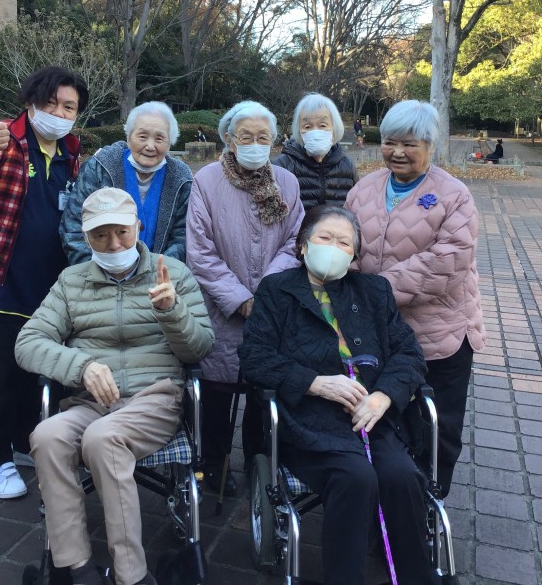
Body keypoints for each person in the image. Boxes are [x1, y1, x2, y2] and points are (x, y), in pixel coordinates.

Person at [15, 188, 213, 585]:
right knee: (47, 436)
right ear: (86, 237)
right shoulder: (72, 281)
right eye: (100, 235)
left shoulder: (172, 272)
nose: (114, 244)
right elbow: (28, 342)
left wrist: (171, 311)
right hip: (91, 403)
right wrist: (82, 367)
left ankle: (131, 575)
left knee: (103, 439)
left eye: (122, 232)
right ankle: (78, 568)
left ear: (138, 227)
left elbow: (201, 348)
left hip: (154, 398)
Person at [239, 205, 435, 585]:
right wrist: (314, 382)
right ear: (303, 245)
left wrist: (383, 397)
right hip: (308, 421)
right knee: (356, 477)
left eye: (344, 243)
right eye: (324, 238)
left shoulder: (374, 290)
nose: (333, 247)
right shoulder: (276, 291)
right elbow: (254, 357)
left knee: (402, 476)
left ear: (354, 254)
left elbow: (409, 354)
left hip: (370, 417)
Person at [0, 67, 89, 499]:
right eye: (51, 103)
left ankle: (25, 442)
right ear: (31, 101)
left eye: (69, 107)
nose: (58, 113)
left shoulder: (71, 152)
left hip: (49, 289)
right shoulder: (2, 140)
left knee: (38, 370)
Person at [345, 100, 486, 497]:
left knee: (436, 425)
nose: (398, 152)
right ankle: (387, 499)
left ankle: (427, 503)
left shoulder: (454, 196)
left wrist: (375, 290)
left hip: (439, 333)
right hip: (379, 333)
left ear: (430, 145)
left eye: (410, 144)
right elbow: (347, 242)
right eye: (390, 142)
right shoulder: (364, 188)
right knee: (384, 419)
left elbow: (448, 261)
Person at [186, 100, 304, 495]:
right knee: (216, 391)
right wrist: (239, 298)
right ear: (229, 138)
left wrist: (265, 294)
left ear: (274, 141)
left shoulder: (286, 182)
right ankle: (214, 465)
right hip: (220, 307)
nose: (255, 144)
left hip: (271, 308)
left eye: (263, 137)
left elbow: (295, 241)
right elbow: (200, 251)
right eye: (245, 136)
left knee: (262, 389)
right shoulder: (206, 180)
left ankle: (259, 462)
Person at [61, 102, 192, 264]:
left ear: (170, 142)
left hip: (158, 274)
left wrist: (159, 270)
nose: (150, 146)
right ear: (128, 137)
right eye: (142, 136)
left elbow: (182, 235)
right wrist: (95, 270)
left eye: (159, 138)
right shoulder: (100, 167)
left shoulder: (181, 178)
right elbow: (73, 227)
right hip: (99, 269)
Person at [273, 93, 357, 210]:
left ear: (334, 128)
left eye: (322, 125)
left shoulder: (347, 166)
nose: (315, 132)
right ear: (299, 130)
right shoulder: (282, 166)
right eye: (307, 126)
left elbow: (355, 209)